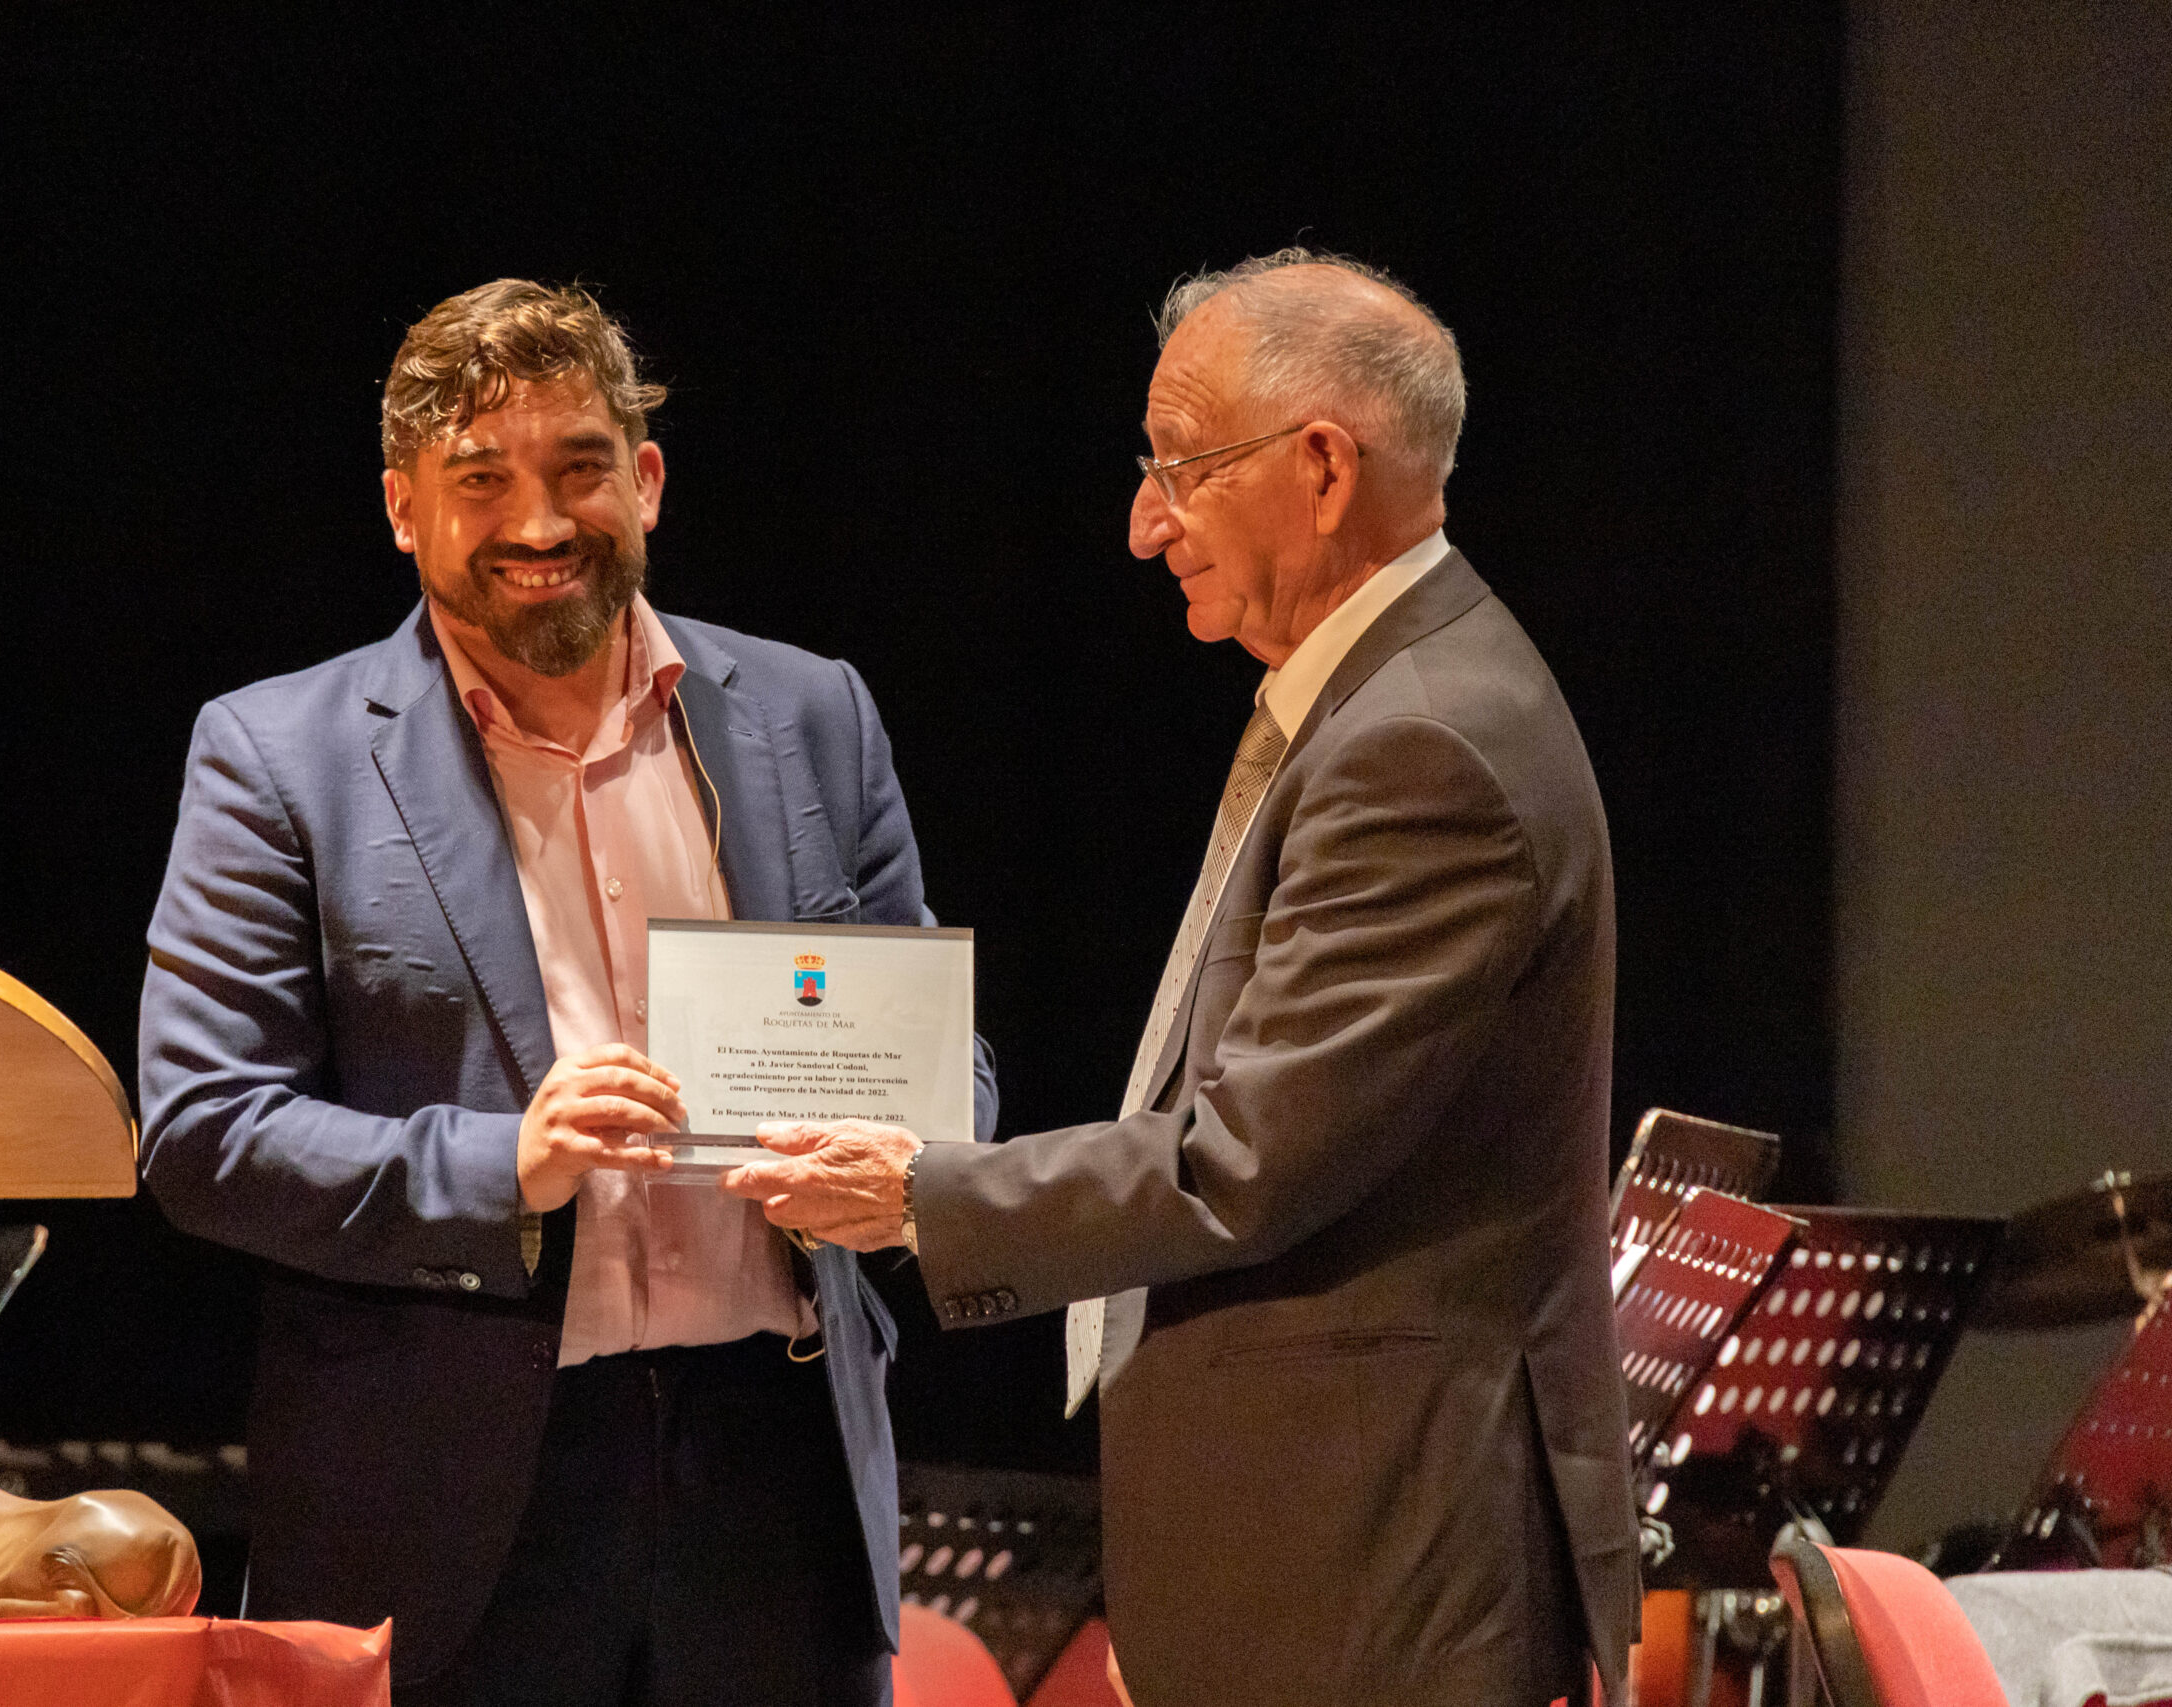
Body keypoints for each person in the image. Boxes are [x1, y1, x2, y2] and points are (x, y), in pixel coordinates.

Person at [726, 251, 1640, 1707]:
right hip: (1335, 1560)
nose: (1147, 523)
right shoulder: (1388, 697)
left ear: (1322, 468)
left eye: (1182, 467)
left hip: (1376, 1576)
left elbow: (1244, 1164)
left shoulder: (1425, 744)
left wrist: (921, 1195)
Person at [138, 279, 995, 1707]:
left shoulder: (812, 714)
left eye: (580, 469)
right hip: (452, 1503)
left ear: (645, 481)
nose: (539, 523)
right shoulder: (277, 756)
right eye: (482, 480)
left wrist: (903, 1166)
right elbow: (203, 1132)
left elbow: (938, 1056)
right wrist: (503, 1166)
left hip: (777, 1482)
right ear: (404, 509)